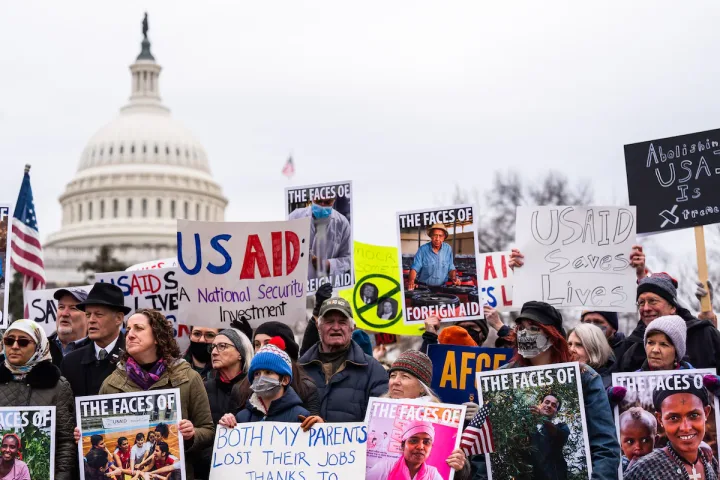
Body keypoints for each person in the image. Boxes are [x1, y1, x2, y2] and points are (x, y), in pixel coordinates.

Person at [501, 301, 621, 479]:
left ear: (552, 335)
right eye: (521, 328)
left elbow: (605, 446)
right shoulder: (502, 377)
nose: (525, 334)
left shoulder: (583, 376)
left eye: (534, 328)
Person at [98, 308, 214, 480]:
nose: (129, 334)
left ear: (158, 337)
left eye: (138, 328)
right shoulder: (111, 384)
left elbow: (208, 430)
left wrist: (192, 435)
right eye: (128, 329)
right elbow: (100, 433)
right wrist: (85, 433)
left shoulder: (187, 378)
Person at [0, 320, 75, 480]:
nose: (14, 346)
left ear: (38, 346)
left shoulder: (57, 386)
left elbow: (66, 442)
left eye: (23, 342)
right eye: (9, 340)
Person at [381, 350, 471, 479]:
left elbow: (458, 471)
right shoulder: (375, 412)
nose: (396, 381)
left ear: (422, 387)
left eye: (405, 376)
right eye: (393, 375)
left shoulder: (444, 419)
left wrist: (460, 467)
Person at [298, 297, 388, 422]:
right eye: (329, 322)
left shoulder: (373, 370)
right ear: (319, 326)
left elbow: (380, 423)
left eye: (342, 322)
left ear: (352, 327)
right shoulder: (300, 369)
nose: (336, 327)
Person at [617, 272, 720, 372]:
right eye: (641, 303)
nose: (646, 308)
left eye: (653, 301)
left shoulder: (704, 335)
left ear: (672, 307)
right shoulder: (632, 348)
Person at [625, 379, 719, 480]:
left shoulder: (709, 461)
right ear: (660, 419)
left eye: (694, 415)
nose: (685, 428)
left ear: (706, 413)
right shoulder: (644, 469)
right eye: (674, 418)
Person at [220, 337, 318, 427]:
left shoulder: (301, 417)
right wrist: (227, 424)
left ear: (285, 380)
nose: (261, 378)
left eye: (268, 372)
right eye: (257, 373)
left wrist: (318, 427)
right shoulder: (242, 418)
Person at [61, 282, 130, 396]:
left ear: (118, 318)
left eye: (98, 314)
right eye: (88, 315)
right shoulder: (70, 362)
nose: (91, 320)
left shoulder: (135, 358)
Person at [244, 321, 319, 415]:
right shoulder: (243, 387)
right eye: (257, 344)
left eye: (268, 343)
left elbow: (312, 424)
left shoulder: (306, 388)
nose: (261, 349)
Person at [288, 191, 351, 280]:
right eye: (318, 201)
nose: (322, 205)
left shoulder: (342, 223)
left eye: (327, 202)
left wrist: (328, 264)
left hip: (327, 286)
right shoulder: (295, 217)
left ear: (334, 200)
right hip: (298, 284)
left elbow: (348, 259)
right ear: (312, 198)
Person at [367, 420, 449, 480]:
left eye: (426, 442)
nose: (420, 447)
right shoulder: (385, 468)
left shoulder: (432, 474)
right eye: (414, 441)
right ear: (403, 445)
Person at [407, 223, 461, 290]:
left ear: (444, 238)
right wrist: (411, 281)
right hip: (424, 288)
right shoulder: (423, 250)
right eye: (435, 235)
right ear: (431, 236)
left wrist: (454, 278)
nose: (437, 239)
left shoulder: (448, 249)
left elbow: (450, 267)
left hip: (442, 289)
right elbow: (415, 268)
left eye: (440, 236)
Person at [48, 287, 90, 366]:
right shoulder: (42, 347)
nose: (64, 314)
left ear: (88, 316)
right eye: (61, 307)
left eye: (73, 308)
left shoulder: (98, 351)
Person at [619, 407, 656, 473]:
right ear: (620, 443)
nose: (638, 447)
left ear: (656, 440)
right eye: (630, 441)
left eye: (644, 440)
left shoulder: (661, 465)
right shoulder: (618, 467)